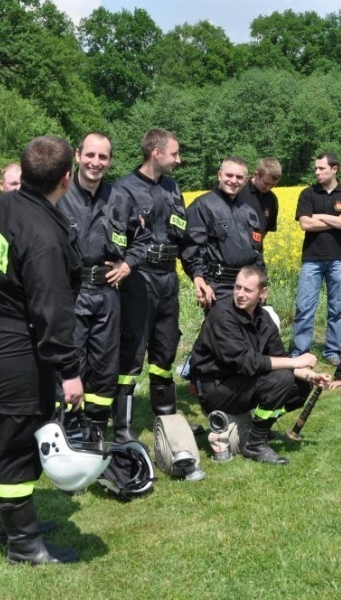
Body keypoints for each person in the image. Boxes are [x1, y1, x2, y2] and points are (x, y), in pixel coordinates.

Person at [0, 136, 83, 565]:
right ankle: (25, 548)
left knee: (6, 432)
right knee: (16, 440)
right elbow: (51, 310)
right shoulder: (45, 235)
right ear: (67, 178)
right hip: (13, 344)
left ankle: (8, 524)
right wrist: (69, 371)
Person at [189, 266, 331, 465]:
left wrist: (310, 376)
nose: (240, 294)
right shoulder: (222, 316)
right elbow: (247, 363)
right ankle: (255, 445)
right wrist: (295, 362)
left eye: (247, 290)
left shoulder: (263, 319)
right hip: (215, 390)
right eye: (237, 287)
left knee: (300, 387)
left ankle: (259, 429)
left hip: (240, 383)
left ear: (262, 293)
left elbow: (278, 356)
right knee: (282, 379)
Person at [114, 128, 193, 442]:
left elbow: (182, 232)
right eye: (174, 153)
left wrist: (195, 274)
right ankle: (122, 428)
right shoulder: (123, 190)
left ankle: (166, 419)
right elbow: (116, 238)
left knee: (166, 346)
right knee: (132, 351)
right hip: (138, 279)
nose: (179, 159)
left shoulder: (173, 187)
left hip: (168, 277)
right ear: (155, 153)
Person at [57, 132, 135, 442]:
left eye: (103, 157)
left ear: (110, 161)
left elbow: (141, 238)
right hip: (71, 294)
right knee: (73, 360)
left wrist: (129, 263)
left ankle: (98, 427)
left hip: (106, 294)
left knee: (105, 364)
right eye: (90, 155)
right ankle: (68, 427)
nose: (96, 162)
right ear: (77, 155)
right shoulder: (59, 195)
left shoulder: (120, 198)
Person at [291, 152, 341, 367]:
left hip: (340, 259)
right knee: (304, 308)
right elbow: (306, 224)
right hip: (312, 258)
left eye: (321, 168)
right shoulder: (307, 194)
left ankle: (332, 350)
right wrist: (336, 220)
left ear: (334, 169)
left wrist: (320, 216)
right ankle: (300, 351)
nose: (317, 172)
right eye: (316, 169)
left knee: (336, 308)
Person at [182, 155, 265, 305]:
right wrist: (200, 278)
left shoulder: (249, 212)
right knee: (222, 328)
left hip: (248, 286)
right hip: (217, 286)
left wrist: (262, 283)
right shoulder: (202, 206)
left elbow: (258, 252)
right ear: (219, 175)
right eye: (229, 175)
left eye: (239, 177)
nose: (233, 181)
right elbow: (191, 247)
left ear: (246, 181)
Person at [237, 157, 281, 242]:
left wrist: (256, 243)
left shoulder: (272, 199)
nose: (269, 188)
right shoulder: (238, 190)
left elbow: (266, 228)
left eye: (273, 185)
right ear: (256, 175)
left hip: (256, 250)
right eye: (266, 183)